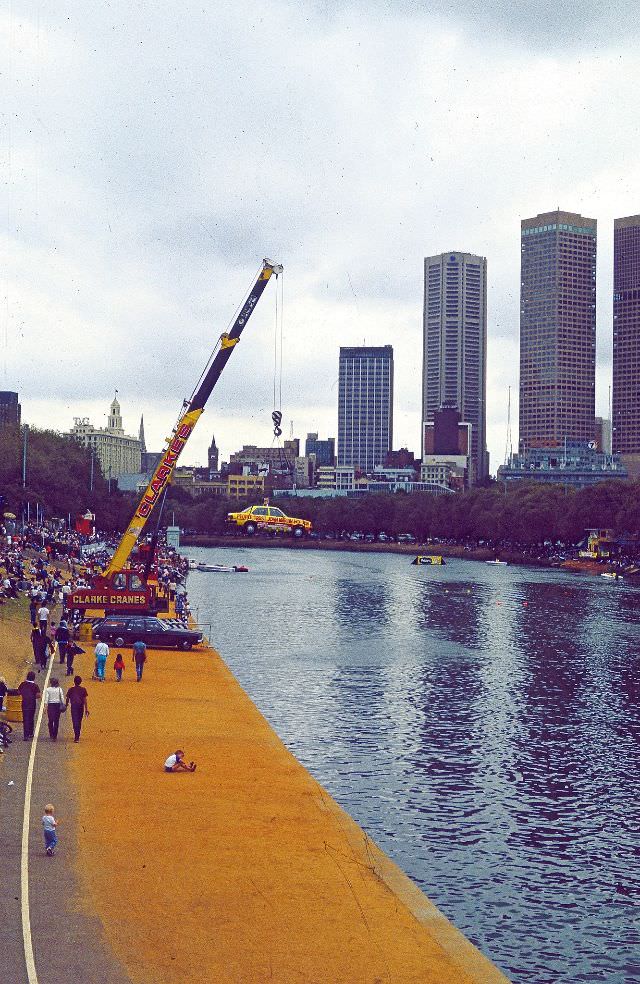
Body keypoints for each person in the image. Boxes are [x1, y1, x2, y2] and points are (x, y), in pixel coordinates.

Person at [18, 671, 41, 740]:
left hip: (24, 703)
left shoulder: (22, 684)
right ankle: (31, 733)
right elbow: (38, 695)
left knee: (25, 719)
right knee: (31, 718)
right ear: (34, 678)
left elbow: (18, 692)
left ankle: (26, 735)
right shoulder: (35, 686)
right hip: (32, 703)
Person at [65, 675, 89, 742]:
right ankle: (77, 736)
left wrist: (66, 705)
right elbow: (85, 700)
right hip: (81, 707)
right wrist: (86, 709)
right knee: (79, 721)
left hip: (74, 707)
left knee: (75, 721)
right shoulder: (83, 689)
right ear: (80, 682)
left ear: (74, 682)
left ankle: (76, 736)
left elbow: (67, 698)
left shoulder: (71, 689)